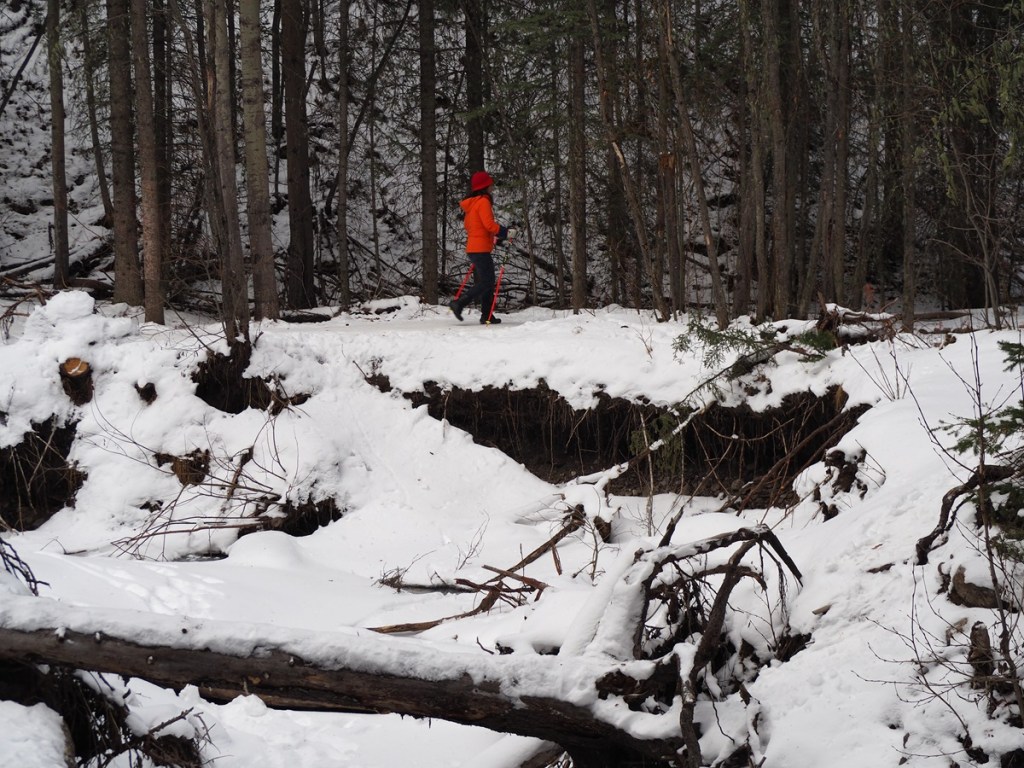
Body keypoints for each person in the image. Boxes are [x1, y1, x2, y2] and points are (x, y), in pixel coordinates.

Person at [449, 170, 508, 324]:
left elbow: (472, 226)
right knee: (487, 281)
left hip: (474, 247)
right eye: (490, 184)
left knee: (487, 281)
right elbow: (489, 225)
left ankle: (487, 315)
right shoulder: (483, 202)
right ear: (485, 186)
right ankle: (459, 303)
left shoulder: (473, 203)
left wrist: (496, 238)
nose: (492, 186)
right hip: (480, 248)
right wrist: (505, 232)